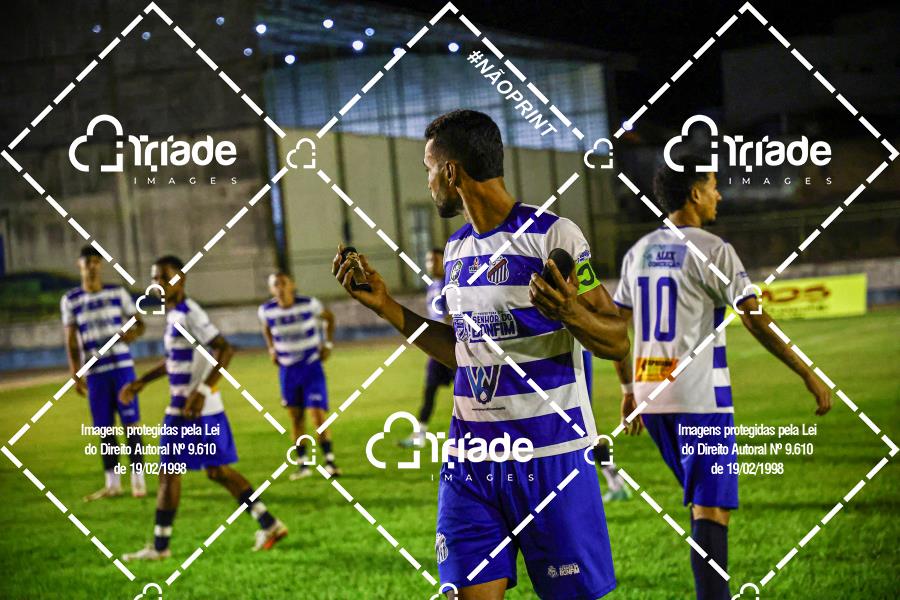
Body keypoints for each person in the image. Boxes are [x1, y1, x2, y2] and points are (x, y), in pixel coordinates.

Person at [333, 109, 629, 599]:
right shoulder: (456, 252)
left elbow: (617, 339)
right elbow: (464, 353)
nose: (428, 183)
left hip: (550, 457)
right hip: (470, 462)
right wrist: (387, 306)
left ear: (451, 171)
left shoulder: (553, 236)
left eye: (429, 170)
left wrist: (570, 311)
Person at [613, 156, 832, 600]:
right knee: (711, 511)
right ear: (695, 193)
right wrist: (807, 371)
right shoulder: (713, 250)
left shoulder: (639, 251)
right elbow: (754, 318)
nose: (719, 195)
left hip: (652, 399)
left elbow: (617, 326)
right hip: (699, 400)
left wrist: (628, 389)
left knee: (702, 505)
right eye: (713, 186)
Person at [121, 255, 287, 561]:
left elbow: (225, 349)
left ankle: (160, 547)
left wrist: (201, 391)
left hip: (190, 408)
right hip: (197, 407)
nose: (159, 283)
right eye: (155, 278)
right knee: (216, 471)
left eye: (165, 277)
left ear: (181, 279)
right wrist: (141, 381)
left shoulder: (189, 313)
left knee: (169, 473)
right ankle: (270, 524)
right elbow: (174, 360)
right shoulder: (174, 315)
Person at [61, 245, 146, 501]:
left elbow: (139, 323)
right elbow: (71, 340)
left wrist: (133, 334)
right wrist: (75, 372)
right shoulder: (71, 300)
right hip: (96, 372)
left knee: (131, 425)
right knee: (105, 429)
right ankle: (112, 484)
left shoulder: (117, 293)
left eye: (96, 261)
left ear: (101, 265)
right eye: (87, 261)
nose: (92, 266)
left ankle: (138, 481)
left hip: (122, 369)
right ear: (79, 265)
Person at [258, 271, 340, 479]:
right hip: (288, 370)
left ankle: (330, 462)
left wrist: (328, 344)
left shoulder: (309, 304)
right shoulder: (266, 310)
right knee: (296, 418)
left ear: (292, 285)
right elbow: (266, 328)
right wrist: (271, 349)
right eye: (276, 284)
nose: (280, 288)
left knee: (317, 415)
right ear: (271, 289)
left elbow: (329, 318)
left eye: (283, 283)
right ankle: (303, 465)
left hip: (311, 366)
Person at [400, 248, 454, 448]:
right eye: (429, 260)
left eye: (436, 259)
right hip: (438, 346)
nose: (432, 264)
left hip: (455, 346)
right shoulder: (432, 286)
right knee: (429, 389)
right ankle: (420, 435)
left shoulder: (451, 283)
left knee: (468, 392)